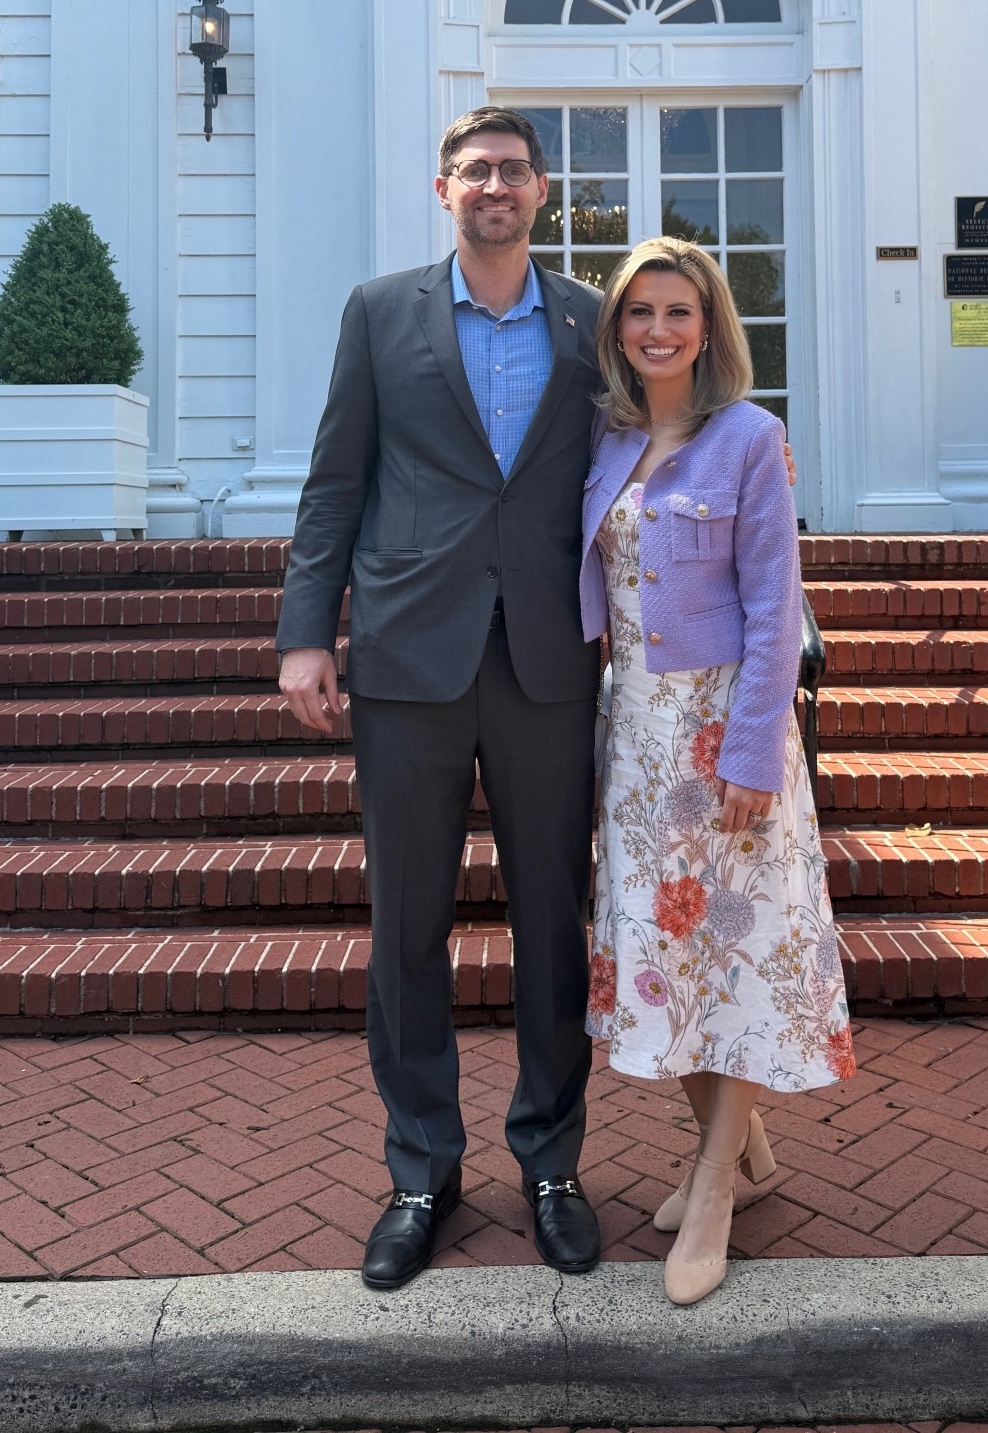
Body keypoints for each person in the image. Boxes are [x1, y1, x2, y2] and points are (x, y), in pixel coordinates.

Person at [276, 106, 605, 1290]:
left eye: (514, 170)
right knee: (407, 924)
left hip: (549, 664)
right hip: (411, 658)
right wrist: (306, 634)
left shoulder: (589, 319)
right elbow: (335, 482)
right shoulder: (380, 313)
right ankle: (421, 1169)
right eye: (476, 171)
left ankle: (553, 1164)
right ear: (444, 187)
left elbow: (633, 453)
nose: (496, 187)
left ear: (543, 187)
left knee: (552, 924)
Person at [580, 235, 856, 1308]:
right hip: (636, 737)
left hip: (723, 735)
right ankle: (746, 1148)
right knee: (661, 947)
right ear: (618, 330)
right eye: (638, 312)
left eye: (677, 313)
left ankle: (711, 1188)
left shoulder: (749, 437)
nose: (657, 329)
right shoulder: (604, 445)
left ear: (709, 328)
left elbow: (772, 606)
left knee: (732, 946)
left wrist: (751, 749)